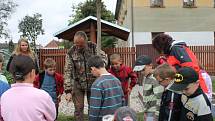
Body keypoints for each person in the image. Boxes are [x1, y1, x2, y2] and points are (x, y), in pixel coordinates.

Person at [64, 31, 107, 120]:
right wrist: (68, 91)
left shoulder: (94, 47)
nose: (78, 47)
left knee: (93, 107)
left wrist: (100, 66)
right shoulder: (71, 52)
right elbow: (67, 71)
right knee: (78, 108)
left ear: (86, 42)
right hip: (78, 84)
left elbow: (104, 59)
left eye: (81, 45)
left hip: (94, 83)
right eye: (76, 44)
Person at [1, 55, 56, 121]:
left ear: (13, 74)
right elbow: (52, 117)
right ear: (33, 72)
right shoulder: (43, 96)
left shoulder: (4, 96)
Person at [87, 55, 124, 121]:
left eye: (90, 71)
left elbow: (94, 108)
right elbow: (122, 100)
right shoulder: (116, 80)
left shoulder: (97, 84)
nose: (91, 73)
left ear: (93, 68)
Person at [133, 55, 164, 121]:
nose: (141, 72)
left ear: (150, 65)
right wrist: (145, 111)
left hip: (154, 111)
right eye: (139, 70)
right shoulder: (146, 77)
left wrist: (157, 114)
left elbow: (159, 98)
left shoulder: (155, 78)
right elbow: (146, 97)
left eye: (143, 70)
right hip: (148, 111)